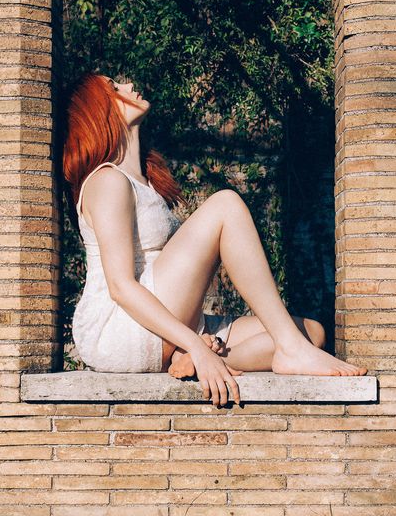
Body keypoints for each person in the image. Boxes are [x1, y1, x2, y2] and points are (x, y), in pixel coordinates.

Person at [63, 73, 367, 407]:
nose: (129, 86)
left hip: (167, 322)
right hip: (120, 329)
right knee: (225, 206)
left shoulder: (143, 182)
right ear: (96, 110)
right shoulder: (107, 181)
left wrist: (196, 349)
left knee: (312, 332)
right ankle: (269, 350)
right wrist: (194, 341)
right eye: (114, 88)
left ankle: (210, 360)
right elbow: (120, 286)